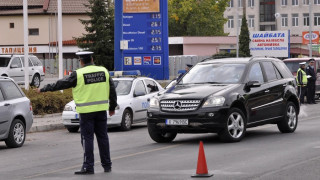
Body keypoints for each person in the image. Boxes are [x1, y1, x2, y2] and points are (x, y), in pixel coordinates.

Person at [36, 51, 117, 175]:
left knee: (87, 139)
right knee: (103, 138)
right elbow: (112, 91)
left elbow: (61, 84)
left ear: (81, 61)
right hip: (101, 111)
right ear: (92, 59)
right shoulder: (103, 71)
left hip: (86, 112)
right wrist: (112, 107)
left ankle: (88, 167)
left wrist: (43, 89)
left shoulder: (78, 74)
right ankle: (107, 165)